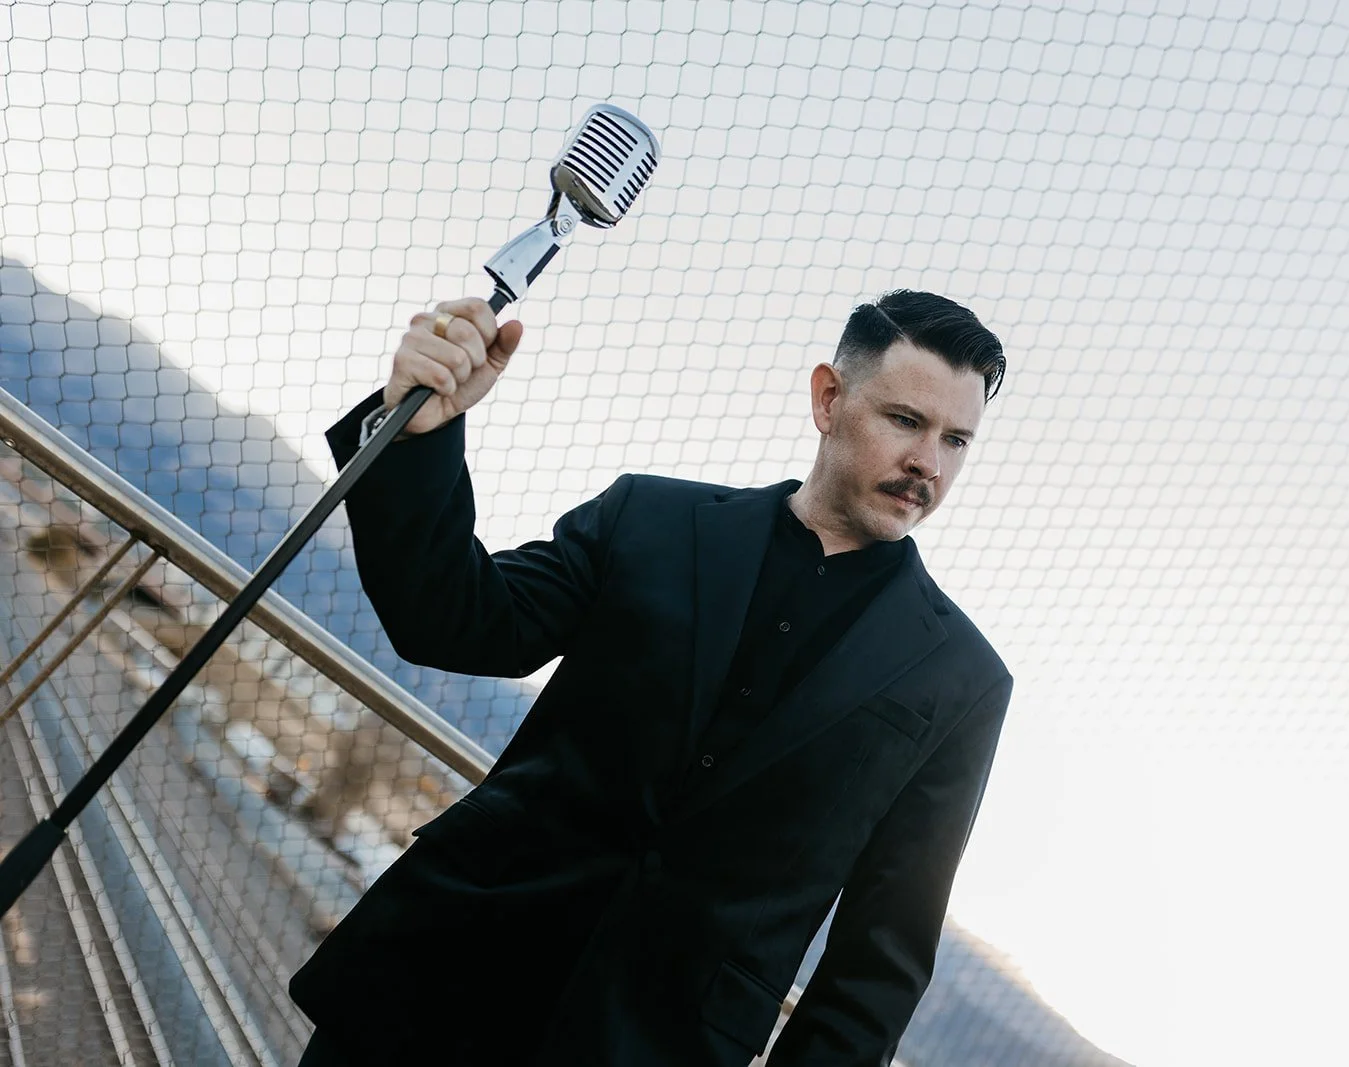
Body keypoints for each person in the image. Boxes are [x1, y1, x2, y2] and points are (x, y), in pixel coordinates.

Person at [289, 290, 1013, 1066]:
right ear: (829, 398)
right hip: (435, 987)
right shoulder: (651, 518)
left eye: (956, 440)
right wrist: (420, 437)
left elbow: (879, 961)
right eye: (906, 420)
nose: (927, 464)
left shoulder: (963, 681)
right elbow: (453, 617)